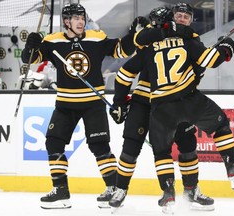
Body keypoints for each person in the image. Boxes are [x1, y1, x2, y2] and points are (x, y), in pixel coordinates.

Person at [110, 3, 234, 213]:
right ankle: (120, 189)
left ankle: (187, 192)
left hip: (162, 103)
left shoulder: (184, 39)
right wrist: (120, 102)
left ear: (190, 19)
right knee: (131, 147)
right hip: (150, 101)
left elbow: (125, 71)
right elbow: (206, 61)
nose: (183, 18)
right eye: (179, 15)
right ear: (171, 19)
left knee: (183, 147)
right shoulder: (161, 38)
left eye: (187, 16)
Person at [21, 3, 145, 209]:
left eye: (82, 18)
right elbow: (30, 59)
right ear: (66, 22)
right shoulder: (53, 41)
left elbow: (121, 50)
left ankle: (113, 189)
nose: (81, 22)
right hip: (65, 104)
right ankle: (61, 191)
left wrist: (133, 35)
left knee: (100, 146)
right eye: (76, 18)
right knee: (53, 142)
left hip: (92, 104)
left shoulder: (96, 38)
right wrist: (30, 45)